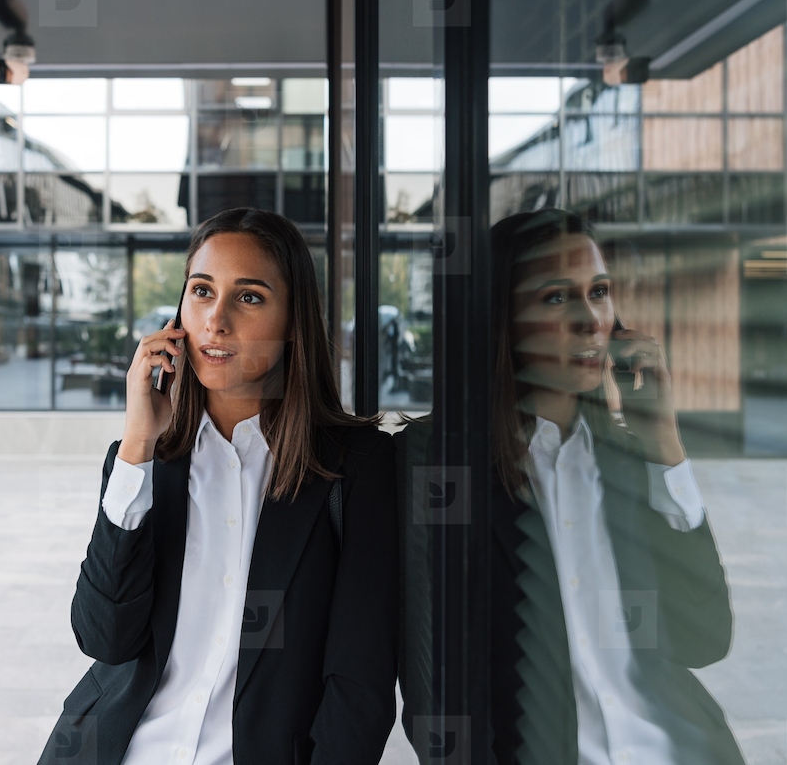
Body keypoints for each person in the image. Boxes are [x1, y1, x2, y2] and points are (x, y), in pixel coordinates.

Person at [38, 207, 399, 765]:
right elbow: (103, 638)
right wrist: (137, 446)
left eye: (249, 297)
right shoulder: (142, 461)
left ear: (293, 317)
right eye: (202, 291)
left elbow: (360, 687)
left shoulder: (357, 467)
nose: (216, 320)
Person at [482, 208, 744, 763]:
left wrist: (662, 445)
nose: (590, 319)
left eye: (599, 292)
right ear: (502, 316)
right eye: (556, 297)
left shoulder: (626, 464)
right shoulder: (446, 473)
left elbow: (705, 639)